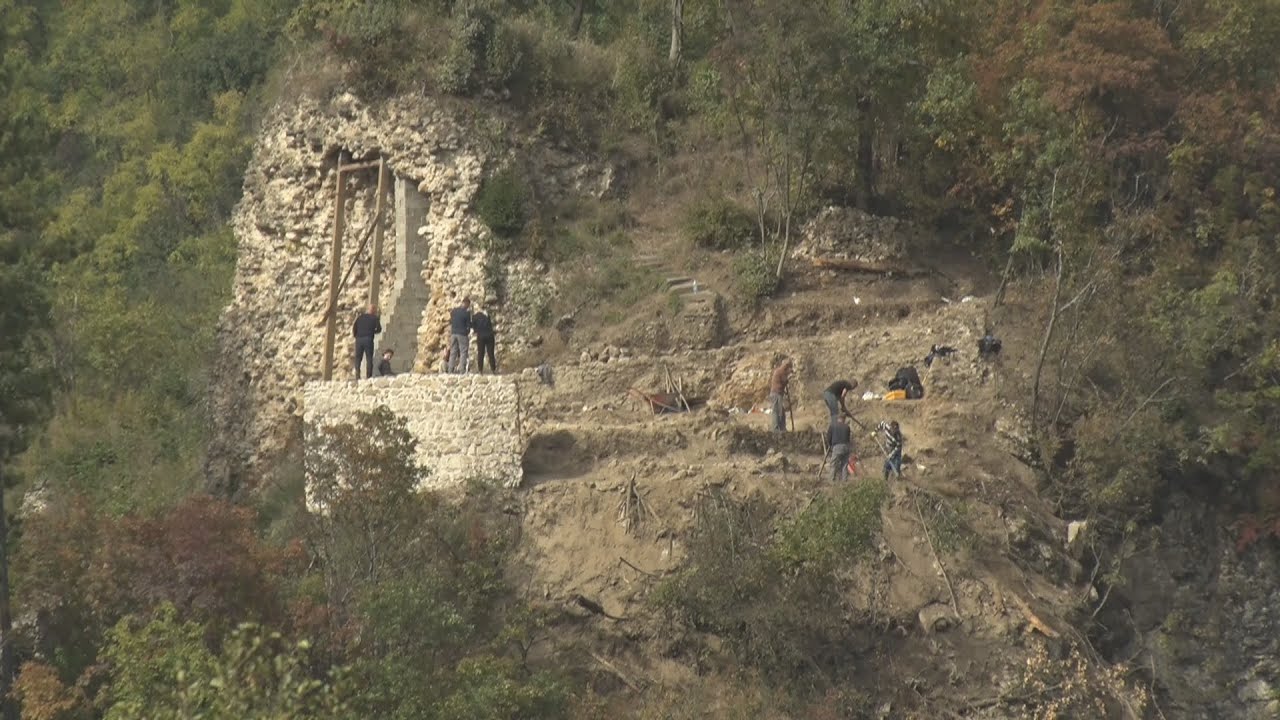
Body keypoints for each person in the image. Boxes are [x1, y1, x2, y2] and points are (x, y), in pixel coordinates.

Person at [352, 304, 382, 379]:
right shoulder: (375, 318)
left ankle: (357, 375)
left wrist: (356, 335)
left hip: (359, 339)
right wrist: (372, 331)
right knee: (369, 357)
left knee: (358, 358)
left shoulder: (359, 318)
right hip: (368, 338)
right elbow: (379, 329)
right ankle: (368, 376)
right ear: (373, 310)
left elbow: (354, 327)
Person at [767, 358, 793, 432]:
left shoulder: (780, 371)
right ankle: (775, 428)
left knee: (781, 411)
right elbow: (784, 381)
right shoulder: (781, 371)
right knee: (776, 411)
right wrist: (789, 377)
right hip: (776, 394)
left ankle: (782, 428)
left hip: (778, 393)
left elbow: (782, 383)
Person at [448, 297, 472, 374]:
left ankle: (450, 369)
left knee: (453, 351)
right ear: (467, 304)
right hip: (462, 334)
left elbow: (451, 320)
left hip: (453, 333)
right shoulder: (466, 313)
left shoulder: (454, 311)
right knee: (463, 351)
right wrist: (467, 332)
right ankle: (462, 370)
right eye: (468, 305)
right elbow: (468, 325)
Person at [827, 414, 852, 482]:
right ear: (844, 419)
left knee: (833, 464)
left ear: (838, 418)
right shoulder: (847, 427)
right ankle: (844, 480)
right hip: (846, 446)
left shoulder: (832, 426)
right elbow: (848, 438)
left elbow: (829, 436)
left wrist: (830, 445)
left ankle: (832, 479)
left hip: (837, 446)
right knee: (844, 464)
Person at [473, 307, 498, 374]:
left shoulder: (475, 316)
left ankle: (480, 370)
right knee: (491, 353)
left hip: (480, 336)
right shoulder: (488, 315)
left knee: (480, 353)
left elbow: (474, 328)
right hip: (489, 335)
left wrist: (477, 330)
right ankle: (493, 369)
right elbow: (491, 325)